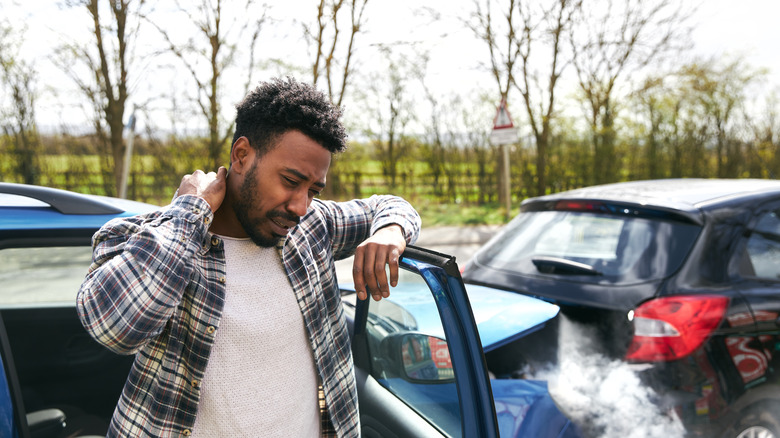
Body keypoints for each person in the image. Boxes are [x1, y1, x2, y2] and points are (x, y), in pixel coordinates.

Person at [76, 77, 421, 438]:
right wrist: (191, 211)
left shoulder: (313, 228)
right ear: (242, 155)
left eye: (314, 190)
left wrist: (390, 231)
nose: (302, 205)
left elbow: (391, 205)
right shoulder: (149, 236)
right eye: (290, 181)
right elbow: (115, 328)